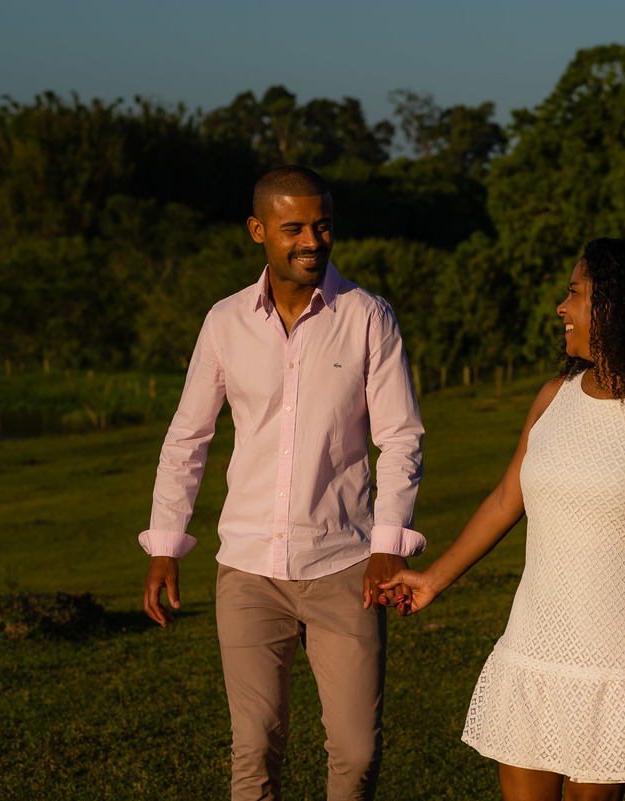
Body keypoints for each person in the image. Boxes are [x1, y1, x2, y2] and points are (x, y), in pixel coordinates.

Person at [380, 238, 625, 801]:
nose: (561, 307)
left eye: (575, 294)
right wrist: (433, 580)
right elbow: (508, 497)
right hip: (535, 640)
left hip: (624, 655)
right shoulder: (554, 396)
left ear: (618, 308)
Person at [139, 165, 424, 801]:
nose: (312, 241)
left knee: (356, 752)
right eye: (293, 228)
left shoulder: (368, 317)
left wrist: (388, 544)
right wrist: (164, 545)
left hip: (345, 565)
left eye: (322, 226)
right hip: (248, 570)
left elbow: (401, 437)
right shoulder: (224, 322)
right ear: (258, 230)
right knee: (254, 748)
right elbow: (187, 439)